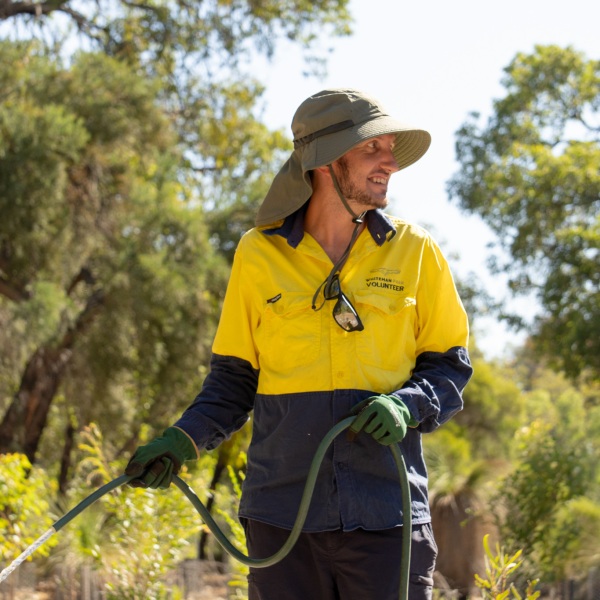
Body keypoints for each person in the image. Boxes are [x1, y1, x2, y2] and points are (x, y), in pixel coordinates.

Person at [125, 88, 473, 600]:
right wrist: (183, 441)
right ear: (326, 161)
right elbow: (233, 381)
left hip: (387, 515)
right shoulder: (257, 254)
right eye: (373, 148)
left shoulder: (416, 251)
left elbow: (450, 367)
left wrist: (408, 405)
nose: (390, 163)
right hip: (281, 520)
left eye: (391, 150)